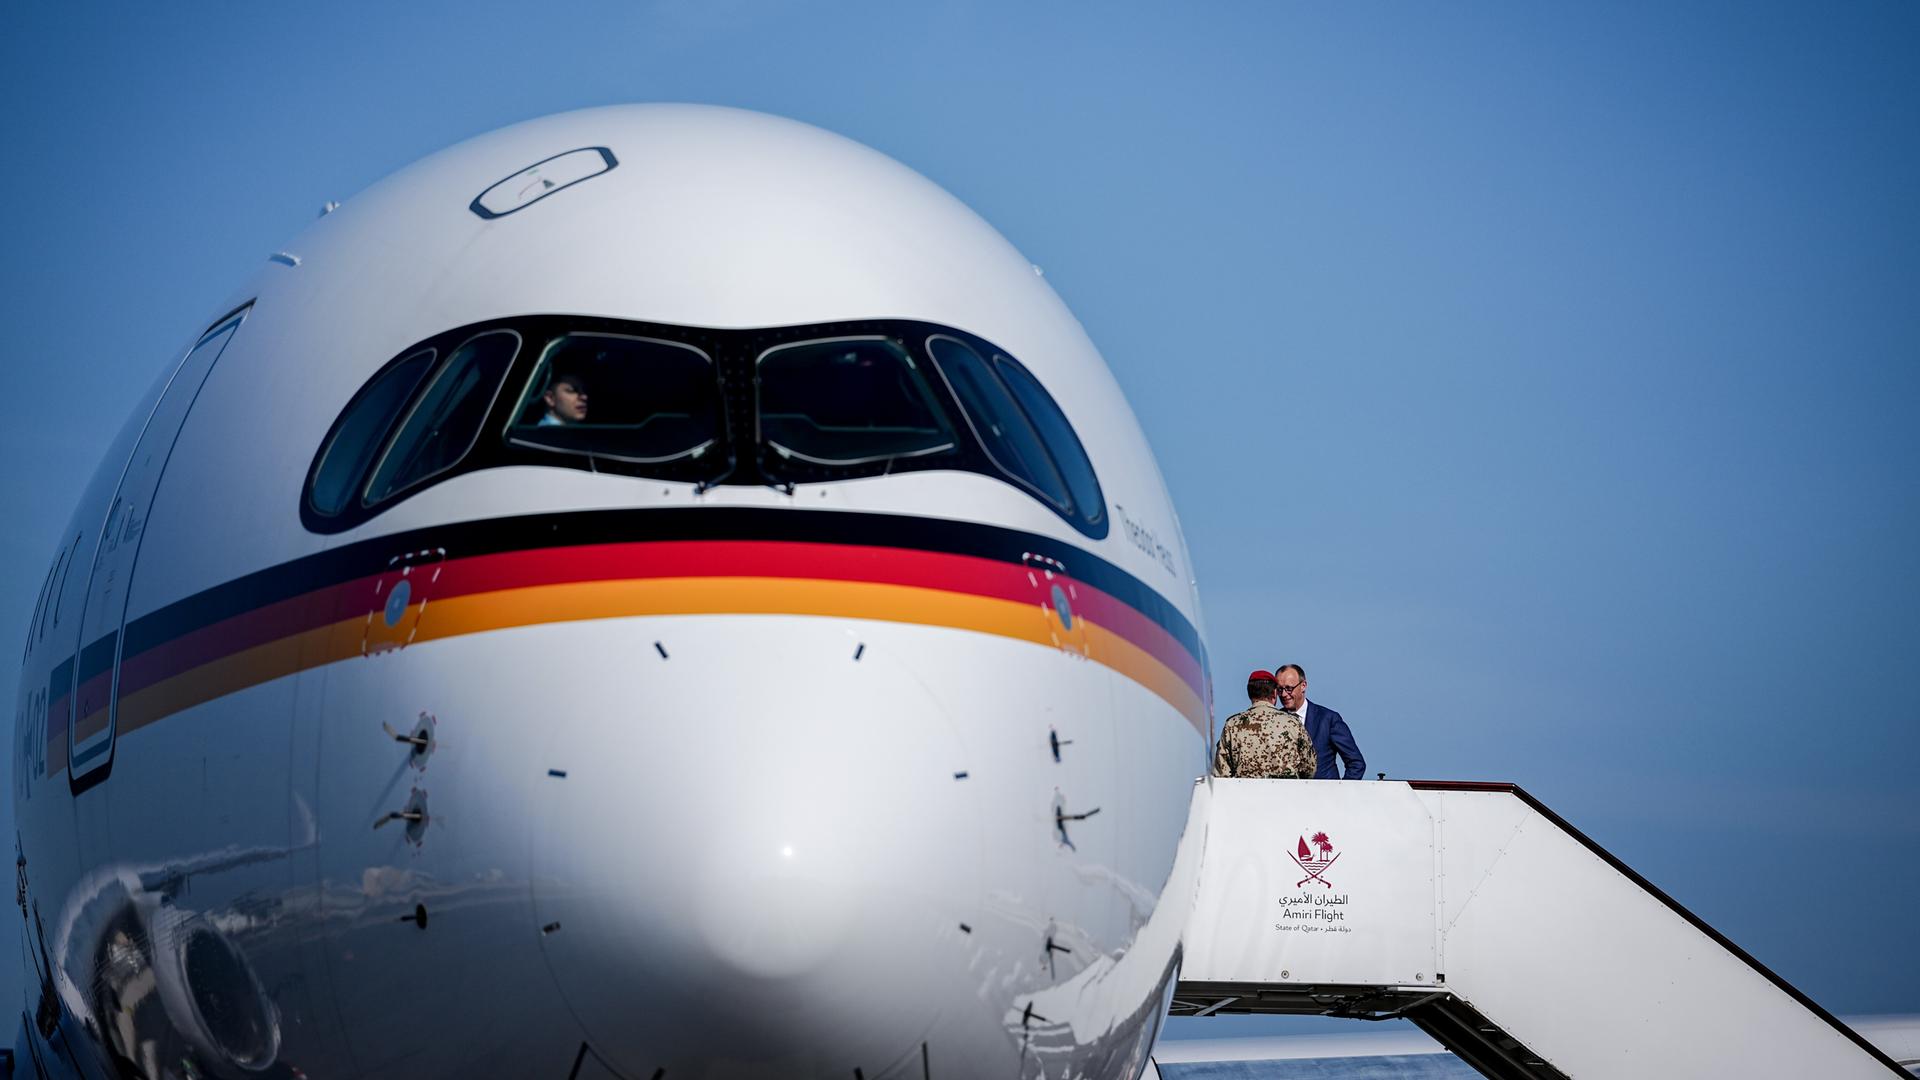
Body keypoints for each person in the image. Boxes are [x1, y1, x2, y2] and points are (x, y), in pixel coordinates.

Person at [1211, 669, 1316, 779]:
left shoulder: (1232, 725)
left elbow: (1222, 773)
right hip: (1286, 794)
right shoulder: (1293, 723)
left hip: (1245, 795)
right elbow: (1309, 768)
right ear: (1274, 693)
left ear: (1249, 694)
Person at [1273, 663, 1366, 780]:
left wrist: (1341, 793)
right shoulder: (1275, 721)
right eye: (1280, 689)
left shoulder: (1328, 719)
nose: (1284, 694)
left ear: (1303, 686)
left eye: (1289, 688)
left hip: (1324, 796)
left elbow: (1356, 763)